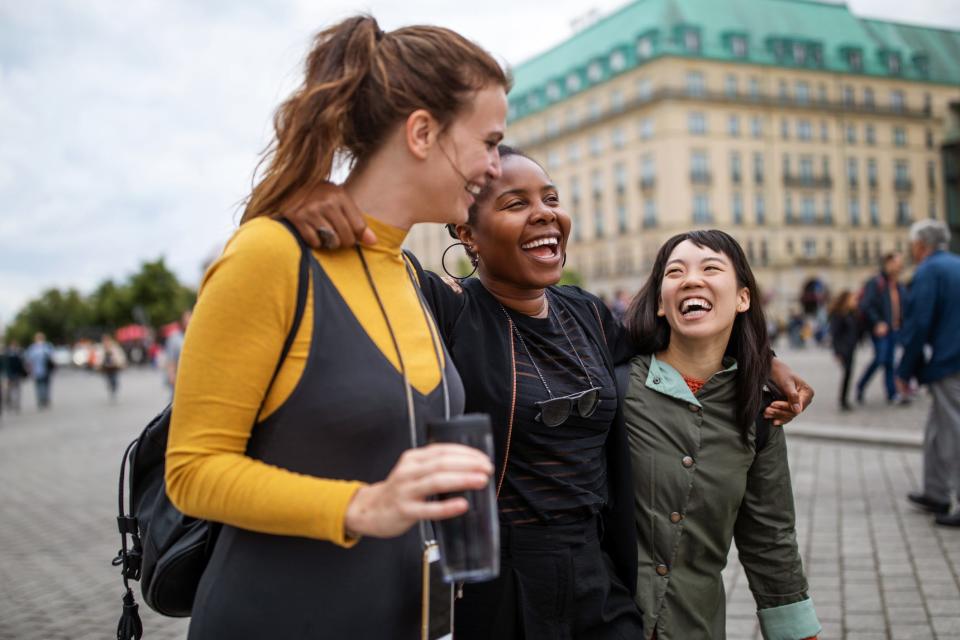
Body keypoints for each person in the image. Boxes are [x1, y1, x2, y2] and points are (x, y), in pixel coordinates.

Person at [286, 146, 814, 639]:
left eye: (552, 199)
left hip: (598, 576)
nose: (545, 214)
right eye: (516, 204)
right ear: (465, 231)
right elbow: (363, 259)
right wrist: (320, 196)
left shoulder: (583, 312)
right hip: (494, 587)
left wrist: (762, 359)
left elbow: (679, 336)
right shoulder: (443, 308)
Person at [164, 16, 509, 638]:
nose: (495, 164)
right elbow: (192, 470)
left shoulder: (403, 272)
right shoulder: (269, 256)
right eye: (488, 141)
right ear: (423, 132)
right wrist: (363, 505)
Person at [623, 230, 820, 639]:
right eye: (675, 272)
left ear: (743, 298)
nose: (691, 279)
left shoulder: (761, 411)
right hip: (606, 624)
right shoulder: (617, 388)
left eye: (711, 268)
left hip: (696, 627)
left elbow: (770, 540)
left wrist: (798, 632)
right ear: (661, 303)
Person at [895, 220, 960, 527]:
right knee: (938, 427)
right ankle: (936, 492)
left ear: (921, 245)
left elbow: (919, 323)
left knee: (953, 430)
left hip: (950, 361)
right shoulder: (955, 264)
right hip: (951, 359)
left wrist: (905, 369)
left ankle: (949, 495)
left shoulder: (929, 271)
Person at [856, 252, 907, 404]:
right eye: (897, 263)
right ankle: (861, 385)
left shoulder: (897, 284)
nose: (900, 267)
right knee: (880, 358)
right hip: (880, 329)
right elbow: (866, 305)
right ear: (888, 264)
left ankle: (892, 394)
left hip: (894, 328)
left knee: (890, 361)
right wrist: (877, 322)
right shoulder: (876, 282)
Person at [829, 290, 861, 411]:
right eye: (853, 299)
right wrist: (837, 352)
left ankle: (844, 399)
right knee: (847, 374)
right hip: (843, 349)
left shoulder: (852, 314)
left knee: (849, 374)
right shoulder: (838, 315)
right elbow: (835, 335)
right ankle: (843, 400)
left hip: (851, 348)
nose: (855, 302)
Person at [23, 332, 55, 410]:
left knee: (43, 386)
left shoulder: (44, 347)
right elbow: (28, 359)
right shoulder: (36, 348)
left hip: (44, 370)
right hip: (37, 371)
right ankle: (42, 400)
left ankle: (43, 399)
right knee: (41, 386)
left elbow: (51, 357)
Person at [163, 309, 191, 393]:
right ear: (181, 321)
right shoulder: (174, 338)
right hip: (179, 379)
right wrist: (172, 376)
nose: (189, 321)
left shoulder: (197, 337)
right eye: (186, 319)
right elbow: (171, 359)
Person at [96, 334, 127, 401]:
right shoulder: (101, 348)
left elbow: (120, 356)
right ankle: (111, 388)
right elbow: (98, 358)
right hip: (105, 368)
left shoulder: (115, 348)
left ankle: (114, 388)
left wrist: (122, 363)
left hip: (114, 367)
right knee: (108, 379)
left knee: (114, 379)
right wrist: (98, 365)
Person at [2, 341, 26, 413]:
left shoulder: (17, 354)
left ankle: (15, 403)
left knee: (15, 390)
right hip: (10, 375)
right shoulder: (7, 355)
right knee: (12, 390)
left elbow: (21, 365)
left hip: (14, 375)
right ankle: (14, 403)